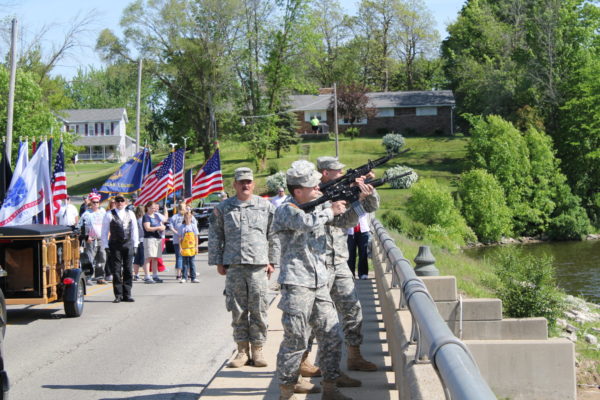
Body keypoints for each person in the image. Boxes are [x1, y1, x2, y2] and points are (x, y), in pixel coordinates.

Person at [274, 160, 371, 400]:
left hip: (319, 283)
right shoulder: (287, 209)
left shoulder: (318, 207)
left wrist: (358, 200)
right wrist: (330, 210)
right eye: (313, 186)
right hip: (297, 284)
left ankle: (330, 388)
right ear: (298, 191)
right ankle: (286, 392)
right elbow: (304, 223)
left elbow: (343, 222)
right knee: (295, 340)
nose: (319, 188)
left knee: (332, 334)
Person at [302, 156, 379, 376]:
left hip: (339, 260)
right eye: (337, 170)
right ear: (325, 173)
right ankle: (304, 360)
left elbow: (359, 215)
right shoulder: (313, 194)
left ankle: (354, 355)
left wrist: (365, 193)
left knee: (352, 308)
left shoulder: (345, 189)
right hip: (318, 263)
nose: (342, 173)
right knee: (314, 314)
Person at [208, 167, 279, 369]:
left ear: (253, 184)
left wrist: (272, 260)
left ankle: (257, 349)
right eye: (241, 182)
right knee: (237, 308)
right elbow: (215, 236)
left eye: (248, 181)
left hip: (258, 265)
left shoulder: (265, 206)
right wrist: (218, 261)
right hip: (234, 265)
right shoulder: (223, 208)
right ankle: (241, 350)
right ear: (235, 184)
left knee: (258, 307)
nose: (245, 185)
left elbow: (273, 235)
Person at [101, 195, 139, 303]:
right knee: (116, 271)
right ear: (115, 203)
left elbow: (134, 230)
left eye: (122, 201)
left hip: (128, 244)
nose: (120, 203)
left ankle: (127, 294)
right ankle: (118, 295)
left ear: (125, 203)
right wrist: (105, 246)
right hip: (115, 245)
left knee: (128, 269)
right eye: (118, 201)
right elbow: (104, 231)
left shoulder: (130, 213)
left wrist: (136, 245)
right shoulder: (109, 214)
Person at [78, 192, 107, 285]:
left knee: (102, 257)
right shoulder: (86, 214)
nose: (95, 204)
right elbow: (80, 227)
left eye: (97, 202)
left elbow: (107, 225)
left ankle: (100, 276)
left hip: (102, 238)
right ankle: (88, 277)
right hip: (91, 239)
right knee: (90, 258)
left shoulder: (103, 212)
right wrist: (86, 237)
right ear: (90, 202)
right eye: (94, 202)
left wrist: (108, 235)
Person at [142, 201, 167, 284]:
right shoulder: (146, 217)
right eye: (151, 208)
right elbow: (147, 228)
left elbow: (162, 223)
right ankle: (147, 276)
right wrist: (158, 227)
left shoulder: (156, 216)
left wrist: (162, 227)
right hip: (149, 238)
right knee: (149, 257)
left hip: (157, 238)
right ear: (147, 208)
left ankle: (155, 275)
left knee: (156, 257)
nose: (153, 210)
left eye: (154, 208)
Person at [347, 214, 372, 280]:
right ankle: (351, 274)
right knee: (351, 254)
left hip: (363, 230)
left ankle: (363, 273)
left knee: (363, 253)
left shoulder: (364, 203)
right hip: (350, 232)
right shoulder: (348, 204)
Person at [178, 211, 199, 283]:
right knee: (185, 263)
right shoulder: (181, 227)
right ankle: (184, 277)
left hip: (192, 248)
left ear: (191, 218)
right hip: (185, 248)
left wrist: (196, 246)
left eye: (189, 218)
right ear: (184, 218)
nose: (187, 219)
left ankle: (193, 278)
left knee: (192, 263)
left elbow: (196, 237)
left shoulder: (193, 226)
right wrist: (180, 247)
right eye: (186, 218)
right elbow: (180, 238)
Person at [169, 202, 187, 280]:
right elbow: (170, 226)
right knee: (179, 257)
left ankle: (186, 272)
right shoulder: (175, 217)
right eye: (182, 208)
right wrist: (176, 232)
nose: (184, 210)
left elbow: (193, 224)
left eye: (184, 208)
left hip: (187, 240)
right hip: (177, 240)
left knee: (187, 256)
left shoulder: (187, 216)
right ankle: (178, 274)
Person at [132, 205, 147, 281]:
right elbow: (144, 230)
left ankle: (136, 275)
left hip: (135, 241)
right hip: (142, 240)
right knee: (144, 258)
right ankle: (146, 275)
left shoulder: (135, 219)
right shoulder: (142, 220)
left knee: (136, 259)